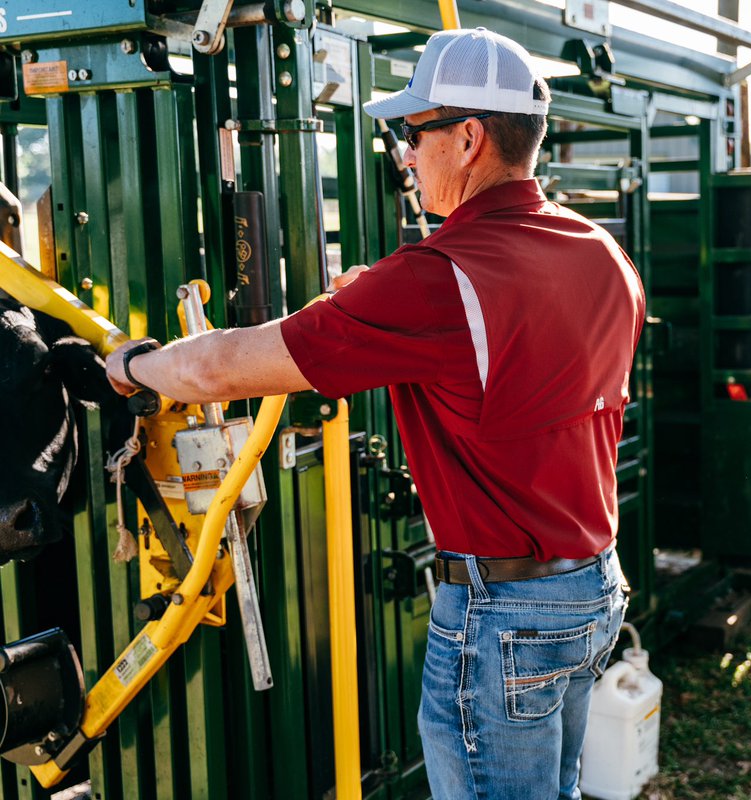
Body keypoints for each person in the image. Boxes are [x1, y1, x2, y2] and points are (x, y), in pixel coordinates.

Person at [105, 27, 645, 799]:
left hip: (504, 614)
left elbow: (219, 366)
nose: (404, 153)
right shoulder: (602, 253)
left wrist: (128, 367)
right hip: (591, 589)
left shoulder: (435, 283)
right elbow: (521, 374)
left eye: (413, 131)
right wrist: (381, 309)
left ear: (468, 138)